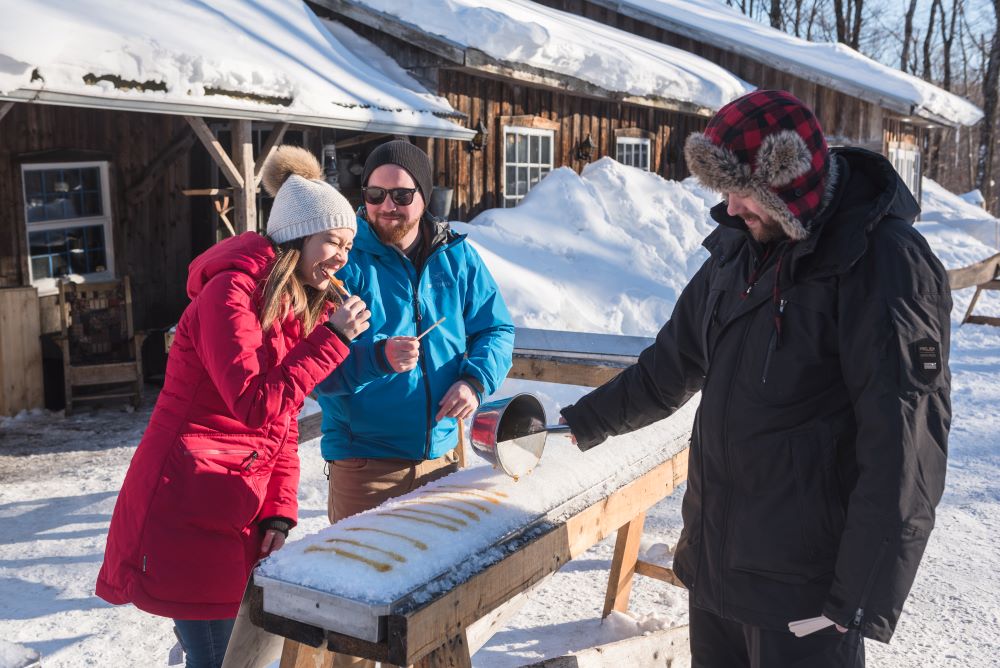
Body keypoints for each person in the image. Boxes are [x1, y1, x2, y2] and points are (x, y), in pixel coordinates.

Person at [560, 90, 951, 667]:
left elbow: (905, 448)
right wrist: (572, 426)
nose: (730, 207)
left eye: (741, 191)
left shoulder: (883, 262)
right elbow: (666, 368)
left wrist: (857, 600)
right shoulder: (737, 250)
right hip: (718, 574)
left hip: (804, 595)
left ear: (789, 182)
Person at [96, 145, 373, 668]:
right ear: (296, 238)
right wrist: (332, 341)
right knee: (230, 659)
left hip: (237, 508)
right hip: (188, 502)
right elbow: (253, 404)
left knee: (245, 655)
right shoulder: (230, 295)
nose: (342, 257)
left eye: (349, 245)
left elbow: (281, 426)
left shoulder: (291, 304)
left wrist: (279, 514)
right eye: (333, 241)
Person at [315, 139, 515, 522]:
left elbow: (496, 328)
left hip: (442, 458)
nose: (387, 205)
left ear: (424, 197)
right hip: (366, 466)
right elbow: (317, 372)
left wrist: (475, 381)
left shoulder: (455, 255)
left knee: (441, 577)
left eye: (402, 194)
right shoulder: (343, 261)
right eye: (376, 194)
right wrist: (378, 359)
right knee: (362, 576)